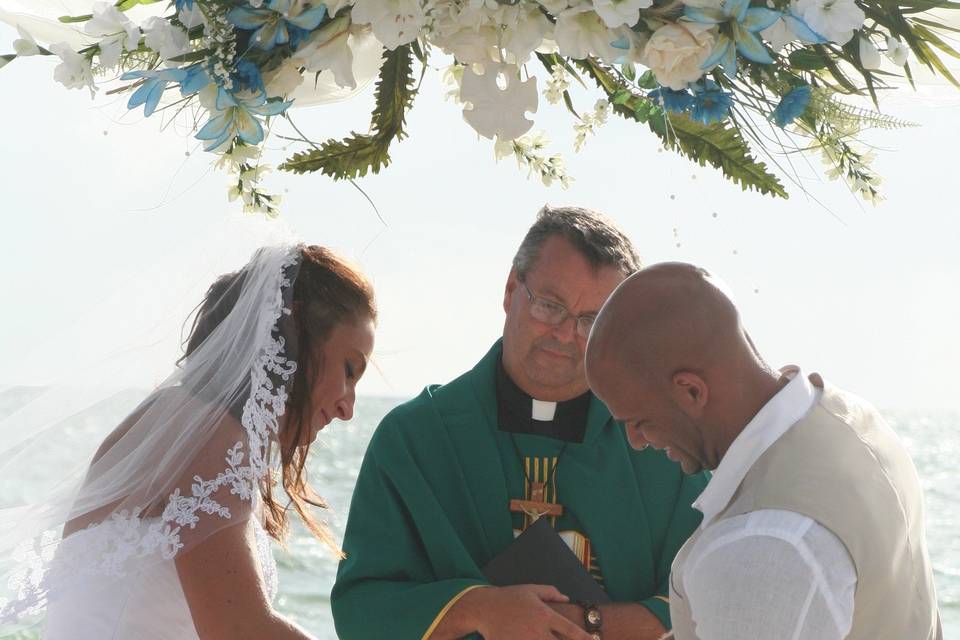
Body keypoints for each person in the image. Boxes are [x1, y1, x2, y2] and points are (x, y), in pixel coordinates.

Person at [332, 206, 708, 640]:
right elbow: (361, 609)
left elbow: (710, 603)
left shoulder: (661, 446)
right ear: (512, 289)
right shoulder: (414, 439)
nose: (566, 335)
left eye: (591, 321)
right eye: (550, 306)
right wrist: (478, 609)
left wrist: (582, 622)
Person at [0, 244, 377, 639]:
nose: (347, 407)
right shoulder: (208, 434)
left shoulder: (182, 419)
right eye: (349, 370)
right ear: (295, 329)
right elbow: (239, 630)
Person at [585, 262, 943, 640]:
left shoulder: (760, 549)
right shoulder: (849, 417)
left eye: (639, 422)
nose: (636, 442)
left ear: (691, 390)